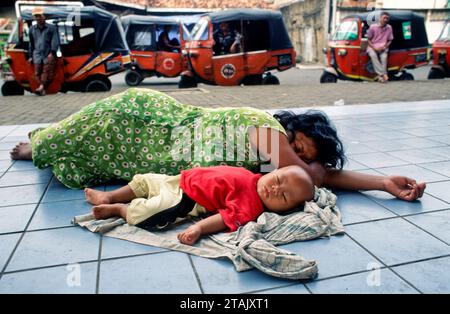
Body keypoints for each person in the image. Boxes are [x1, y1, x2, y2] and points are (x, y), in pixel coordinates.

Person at [9, 88, 425, 202]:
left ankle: (41, 144)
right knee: (69, 137)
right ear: (291, 131)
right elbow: (307, 176)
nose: (296, 161)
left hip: (145, 149)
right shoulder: (263, 126)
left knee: (82, 162)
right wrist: (307, 169)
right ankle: (38, 143)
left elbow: (318, 175)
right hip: (144, 120)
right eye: (299, 148)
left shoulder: (276, 160)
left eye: (304, 157)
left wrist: (382, 182)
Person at [84, 165, 314, 245]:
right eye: (278, 181)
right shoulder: (252, 175)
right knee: (145, 180)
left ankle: (120, 209)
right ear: (273, 171)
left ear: (282, 210)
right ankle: (111, 196)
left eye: (282, 197)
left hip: (186, 200)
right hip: (181, 179)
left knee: (148, 214)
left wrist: (199, 228)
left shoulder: (251, 206)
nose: (274, 189)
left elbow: (224, 218)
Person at [28, 7, 60, 96]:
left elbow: (55, 41)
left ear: (44, 16)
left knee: (47, 71)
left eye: (39, 16)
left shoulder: (51, 28)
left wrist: (52, 53)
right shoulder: (32, 29)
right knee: (37, 73)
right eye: (36, 16)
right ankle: (42, 89)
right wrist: (30, 56)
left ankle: (41, 87)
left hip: (48, 54)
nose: (38, 18)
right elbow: (31, 43)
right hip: (37, 54)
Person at [367, 12, 394, 83]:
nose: (385, 19)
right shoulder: (373, 27)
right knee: (373, 55)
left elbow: (390, 40)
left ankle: (381, 77)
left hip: (383, 47)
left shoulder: (389, 27)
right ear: (380, 18)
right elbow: (368, 39)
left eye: (387, 18)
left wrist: (385, 47)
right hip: (373, 46)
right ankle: (384, 74)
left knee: (384, 58)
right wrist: (374, 47)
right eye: (384, 18)